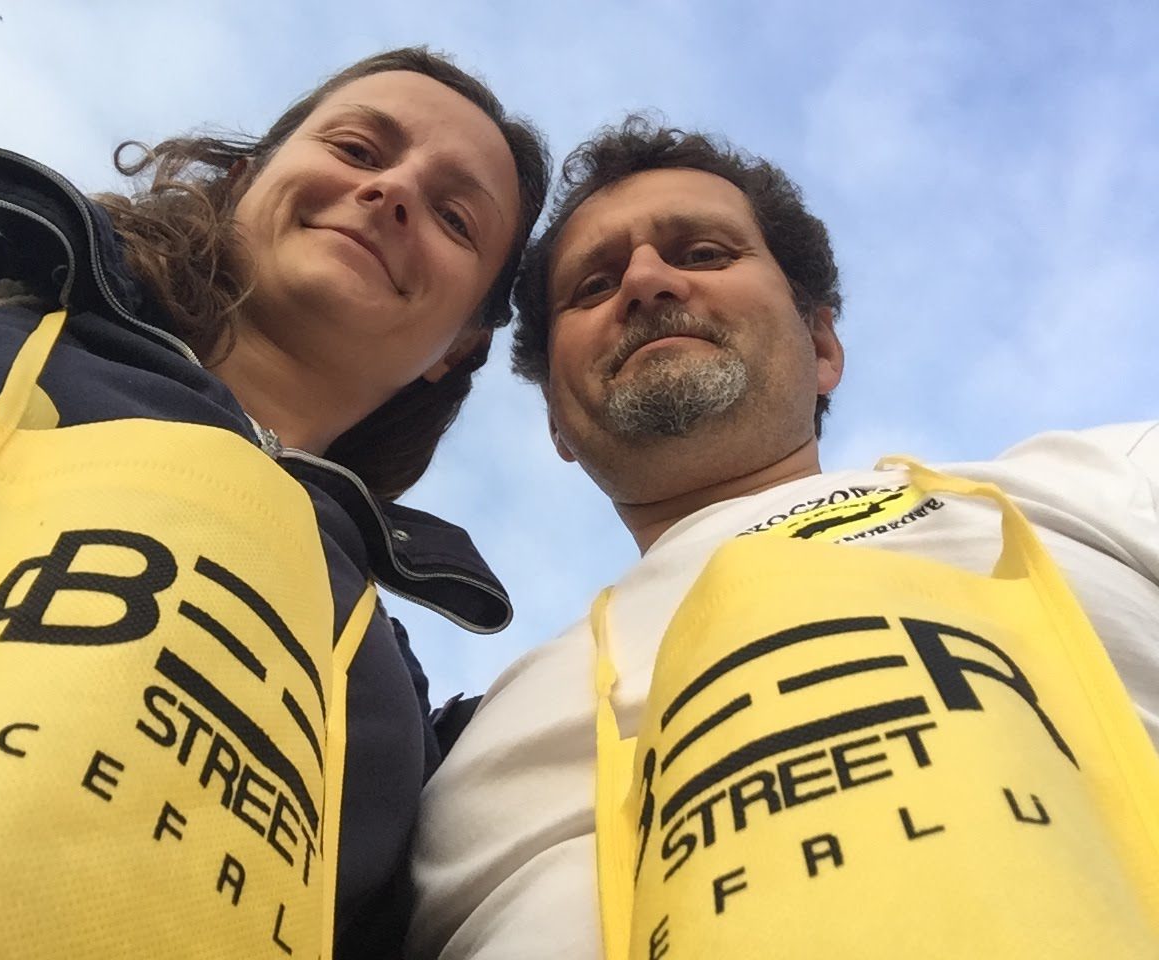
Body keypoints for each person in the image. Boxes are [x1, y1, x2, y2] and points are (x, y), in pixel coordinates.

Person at [409, 117, 1159, 959]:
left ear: (823, 345)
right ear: (557, 421)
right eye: (593, 286)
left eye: (702, 253)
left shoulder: (1105, 485)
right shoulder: (441, 758)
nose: (646, 282)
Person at [0, 48, 548, 959]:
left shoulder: (397, 706)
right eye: (357, 149)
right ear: (244, 181)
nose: (393, 192)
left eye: (454, 217)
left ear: (460, 343)